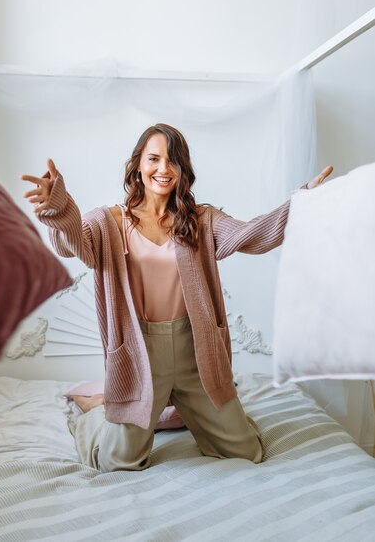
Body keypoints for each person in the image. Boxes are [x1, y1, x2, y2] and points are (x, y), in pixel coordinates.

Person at [22, 123, 332, 472]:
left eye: (174, 161)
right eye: (154, 158)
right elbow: (72, 244)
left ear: (183, 169)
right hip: (140, 355)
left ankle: (174, 412)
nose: (164, 169)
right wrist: (59, 209)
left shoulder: (200, 221)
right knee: (117, 462)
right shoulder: (108, 222)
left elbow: (253, 235)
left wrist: (303, 201)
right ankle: (95, 414)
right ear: (138, 164)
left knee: (247, 452)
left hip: (196, 353)